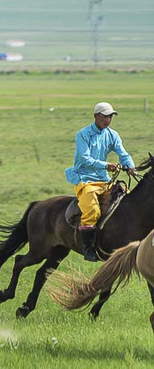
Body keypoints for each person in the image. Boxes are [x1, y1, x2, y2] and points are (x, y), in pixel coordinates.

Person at [65, 102, 137, 262]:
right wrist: (106, 165)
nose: (108, 119)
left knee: (130, 200)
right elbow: (84, 158)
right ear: (96, 116)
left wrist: (130, 166)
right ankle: (88, 249)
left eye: (110, 116)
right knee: (92, 211)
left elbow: (123, 153)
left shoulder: (113, 134)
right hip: (85, 179)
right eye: (105, 116)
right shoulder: (82, 134)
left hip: (104, 180)